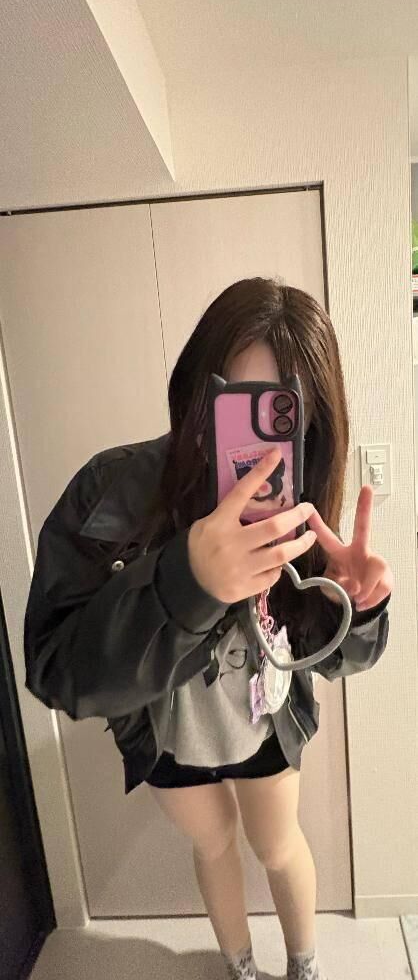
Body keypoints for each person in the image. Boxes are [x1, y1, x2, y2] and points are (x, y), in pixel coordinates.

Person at [24, 278, 392, 980]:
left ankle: (304, 965)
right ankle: (239, 967)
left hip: (263, 723)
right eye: (233, 405)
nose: (255, 440)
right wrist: (185, 583)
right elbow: (56, 669)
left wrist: (358, 607)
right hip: (168, 732)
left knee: (277, 844)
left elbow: (328, 655)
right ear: (197, 390)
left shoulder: (300, 505)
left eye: (281, 415)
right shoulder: (113, 489)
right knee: (214, 843)